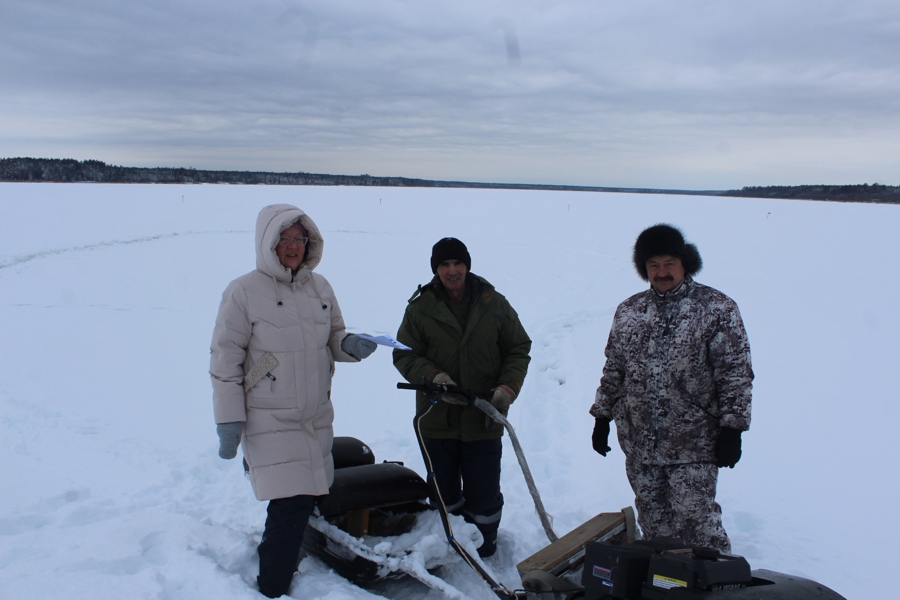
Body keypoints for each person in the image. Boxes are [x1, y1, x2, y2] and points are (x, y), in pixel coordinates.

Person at [210, 204, 377, 598]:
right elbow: (224, 359)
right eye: (284, 238)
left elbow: (333, 335)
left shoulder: (320, 288)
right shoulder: (244, 291)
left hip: (315, 416)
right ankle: (271, 586)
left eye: (299, 238)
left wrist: (349, 345)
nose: (292, 246)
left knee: (304, 497)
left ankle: (283, 563)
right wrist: (228, 420)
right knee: (290, 504)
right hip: (269, 418)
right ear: (268, 242)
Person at [590, 224, 752, 554]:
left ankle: (718, 585)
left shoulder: (717, 308)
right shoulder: (630, 311)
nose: (661, 273)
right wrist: (602, 417)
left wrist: (733, 428)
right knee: (655, 530)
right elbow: (614, 369)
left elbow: (735, 373)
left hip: (693, 443)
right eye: (653, 265)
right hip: (640, 445)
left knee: (698, 529)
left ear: (684, 263)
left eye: (669, 263)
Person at [393, 237, 531, 558]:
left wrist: (507, 388)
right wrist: (433, 377)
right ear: (436, 270)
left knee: (484, 494)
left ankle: (483, 547)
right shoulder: (420, 308)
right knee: (444, 493)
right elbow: (404, 353)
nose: (452, 271)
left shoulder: (493, 303)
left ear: (467, 266)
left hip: (483, 417)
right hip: (436, 419)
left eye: (457, 264)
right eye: (444, 265)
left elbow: (517, 348)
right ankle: (448, 547)